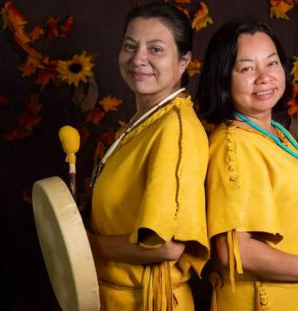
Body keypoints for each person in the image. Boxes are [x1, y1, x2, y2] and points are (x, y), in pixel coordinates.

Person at [196, 20, 298, 311]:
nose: (264, 77)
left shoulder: (277, 132)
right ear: (223, 77)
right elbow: (234, 250)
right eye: (247, 68)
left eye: (272, 63)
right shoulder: (233, 145)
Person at [86, 2, 209, 310]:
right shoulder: (146, 122)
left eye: (155, 49)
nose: (138, 58)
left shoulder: (175, 129)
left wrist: (82, 242)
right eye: (130, 46)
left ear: (183, 62)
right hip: (113, 297)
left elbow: (167, 247)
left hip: (148, 302)